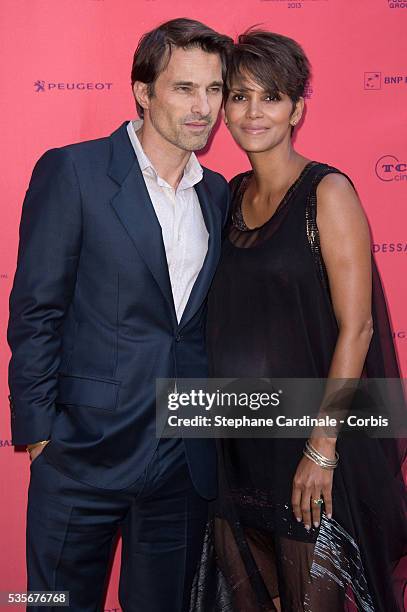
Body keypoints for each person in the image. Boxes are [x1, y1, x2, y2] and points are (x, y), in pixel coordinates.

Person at [7, 18, 232, 612]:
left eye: (214, 90)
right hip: (81, 454)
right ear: (143, 90)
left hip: (182, 460)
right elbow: (36, 309)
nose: (203, 108)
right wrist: (39, 439)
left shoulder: (217, 194)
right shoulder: (75, 172)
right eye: (184, 88)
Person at [195, 29, 406, 612]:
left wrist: (322, 447)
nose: (254, 111)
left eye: (272, 96)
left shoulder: (328, 191)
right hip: (235, 449)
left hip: (310, 448)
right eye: (239, 96)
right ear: (223, 110)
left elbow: (357, 328)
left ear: (297, 109)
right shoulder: (225, 195)